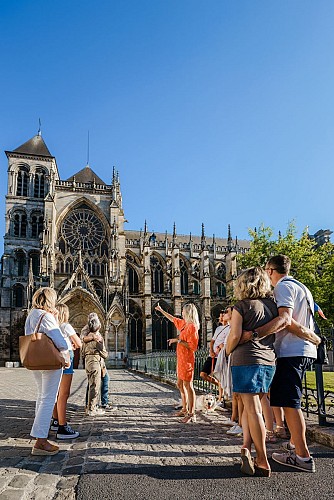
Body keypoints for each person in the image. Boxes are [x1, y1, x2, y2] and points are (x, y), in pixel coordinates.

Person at [242, 255, 320, 473]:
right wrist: (311, 336)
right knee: (290, 401)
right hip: (303, 350)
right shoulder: (302, 287)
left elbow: (285, 319)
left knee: (290, 404)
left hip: (290, 351)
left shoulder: (283, 288)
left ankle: (303, 457)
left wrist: (255, 334)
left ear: (269, 270)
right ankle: (295, 445)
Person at [226, 267, 278, 477]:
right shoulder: (273, 307)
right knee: (252, 408)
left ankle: (263, 460)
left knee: (253, 409)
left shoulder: (241, 306)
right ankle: (246, 446)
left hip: (246, 360)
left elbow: (234, 335)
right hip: (268, 361)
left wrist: (228, 350)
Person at [24, 287, 70, 456]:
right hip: (50, 363)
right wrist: (55, 320)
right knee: (49, 399)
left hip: (36, 361)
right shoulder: (47, 316)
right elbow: (61, 343)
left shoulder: (32, 314)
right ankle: (41, 442)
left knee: (41, 397)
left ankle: (39, 435)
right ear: (51, 300)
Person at [155, 303, 199, 423]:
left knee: (188, 386)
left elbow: (193, 346)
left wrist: (178, 340)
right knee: (180, 384)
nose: (182, 313)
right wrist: (161, 310)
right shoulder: (184, 325)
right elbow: (172, 319)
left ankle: (191, 413)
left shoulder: (192, 327)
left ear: (188, 312)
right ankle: (184, 409)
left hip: (187, 359)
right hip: (181, 358)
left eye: (183, 311)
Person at [50, 303, 82, 439]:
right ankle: (62, 428)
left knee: (55, 393)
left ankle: (55, 421)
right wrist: (74, 343)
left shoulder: (54, 327)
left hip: (55, 358)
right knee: (64, 394)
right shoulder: (66, 326)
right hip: (66, 359)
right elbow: (79, 343)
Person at [82, 314, 108, 416]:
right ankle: (92, 409)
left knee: (92, 385)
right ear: (99, 327)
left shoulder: (86, 338)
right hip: (96, 363)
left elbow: (82, 351)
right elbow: (105, 354)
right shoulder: (98, 339)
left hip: (88, 362)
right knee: (95, 387)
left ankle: (90, 407)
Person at [200, 309, 230, 388]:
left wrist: (220, 348)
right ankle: (219, 386)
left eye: (222, 316)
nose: (220, 318)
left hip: (220, 356)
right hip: (212, 355)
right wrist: (211, 351)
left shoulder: (230, 328)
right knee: (203, 374)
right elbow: (212, 341)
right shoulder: (218, 328)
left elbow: (227, 342)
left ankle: (222, 395)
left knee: (221, 376)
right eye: (220, 316)